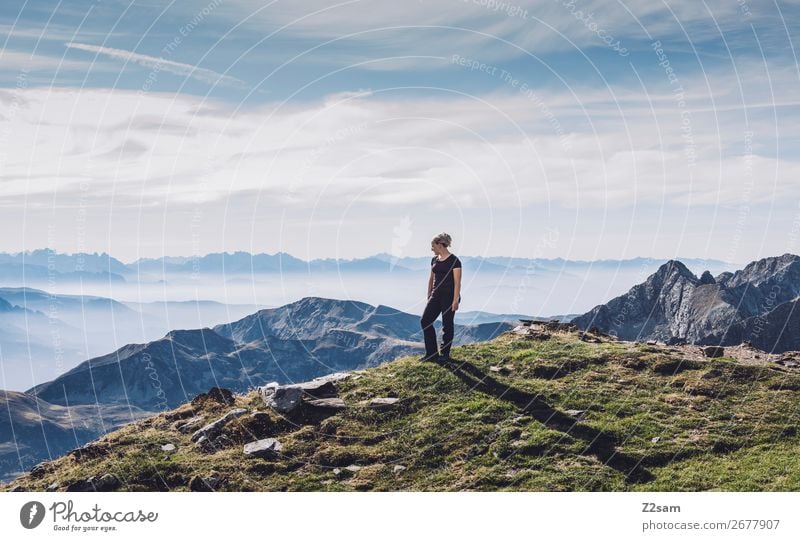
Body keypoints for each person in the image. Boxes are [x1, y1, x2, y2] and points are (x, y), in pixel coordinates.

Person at [420, 232, 462, 361]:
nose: (431, 248)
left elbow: (457, 282)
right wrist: (429, 294)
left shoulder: (454, 261)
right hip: (435, 296)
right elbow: (431, 278)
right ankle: (431, 354)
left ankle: (445, 354)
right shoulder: (434, 260)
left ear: (440, 245)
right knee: (425, 321)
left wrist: (455, 300)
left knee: (447, 325)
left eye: (433, 245)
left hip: (449, 297)